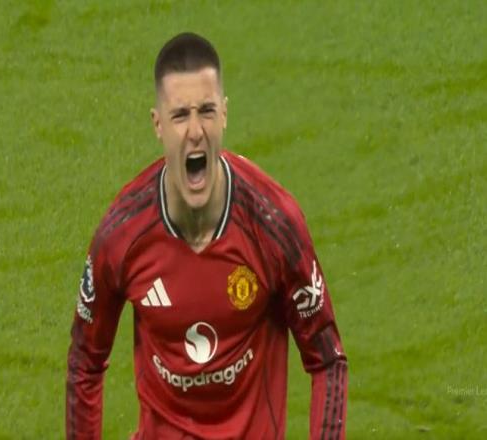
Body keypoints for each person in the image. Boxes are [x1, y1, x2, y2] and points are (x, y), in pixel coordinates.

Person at [66, 32, 348, 439]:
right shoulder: (122, 234)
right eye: (180, 115)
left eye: (207, 111)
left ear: (225, 115)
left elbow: (328, 361)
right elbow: (85, 361)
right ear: (158, 124)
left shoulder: (273, 224)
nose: (195, 131)